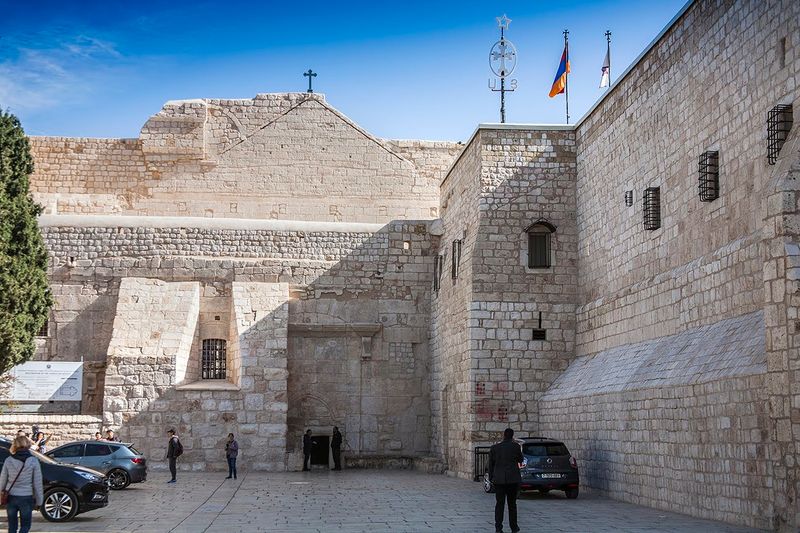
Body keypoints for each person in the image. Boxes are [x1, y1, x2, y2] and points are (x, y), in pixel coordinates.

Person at [0, 435, 43, 533]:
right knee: (25, 526)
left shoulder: (8, 460)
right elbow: (37, 483)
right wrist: (39, 501)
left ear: (15, 445)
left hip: (11, 496)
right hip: (26, 496)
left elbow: (2, 480)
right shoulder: (33, 461)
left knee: (12, 526)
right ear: (28, 444)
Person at [488, 428, 523, 533]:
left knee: (499, 504)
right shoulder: (516, 447)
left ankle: (498, 528)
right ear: (512, 436)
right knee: (512, 505)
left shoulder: (495, 448)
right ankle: (514, 527)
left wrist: (491, 478)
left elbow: (491, 465)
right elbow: (521, 459)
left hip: (499, 480)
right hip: (513, 480)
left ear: (504, 435)